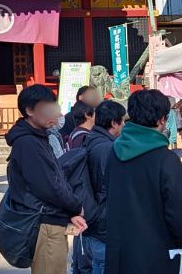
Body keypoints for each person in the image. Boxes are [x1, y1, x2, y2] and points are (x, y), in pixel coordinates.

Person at [105, 91, 182, 274]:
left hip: (119, 251)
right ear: (162, 119)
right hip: (156, 253)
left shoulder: (114, 152)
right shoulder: (166, 159)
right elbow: (178, 210)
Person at [4, 84, 86, 274]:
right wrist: (75, 206)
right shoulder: (28, 143)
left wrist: (69, 212)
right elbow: (48, 187)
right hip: (45, 224)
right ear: (29, 110)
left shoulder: (38, 138)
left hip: (52, 219)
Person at [77, 100, 126, 274]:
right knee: (104, 265)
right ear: (114, 122)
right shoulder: (107, 148)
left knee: (98, 263)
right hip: (103, 219)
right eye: (123, 121)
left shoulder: (91, 139)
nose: (124, 125)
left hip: (93, 215)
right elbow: (109, 187)